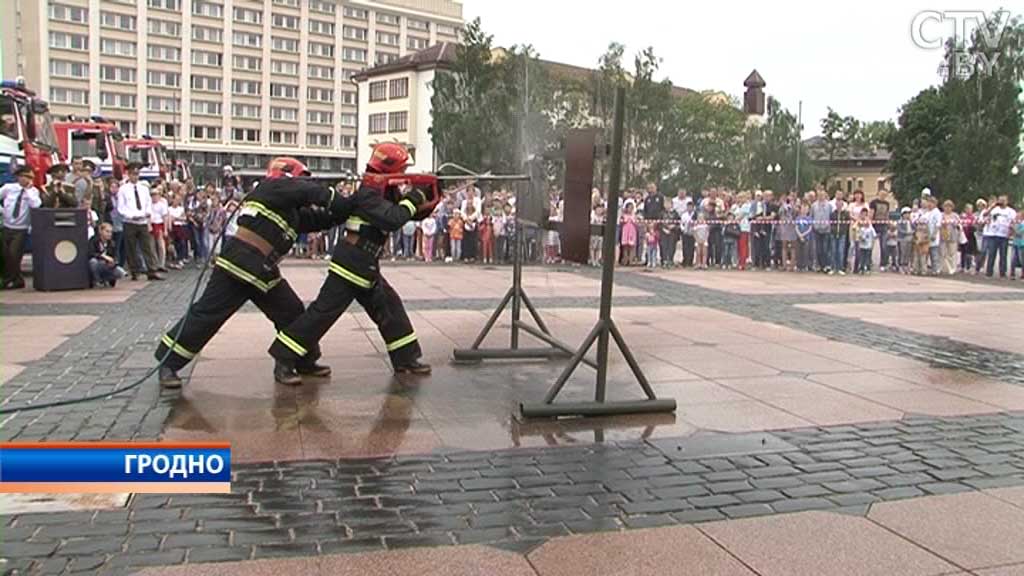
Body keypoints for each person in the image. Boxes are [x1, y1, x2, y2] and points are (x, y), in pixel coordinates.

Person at [155, 157, 349, 388]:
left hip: (264, 271)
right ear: (286, 176)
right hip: (238, 265)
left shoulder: (291, 211)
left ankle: (297, 362)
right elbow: (307, 191)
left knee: (293, 313)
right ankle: (168, 364)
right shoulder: (270, 188)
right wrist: (336, 198)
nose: (302, 183)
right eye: (300, 178)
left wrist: (359, 204)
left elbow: (324, 218)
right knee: (206, 315)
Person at [267, 142, 435, 385]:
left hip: (365, 264)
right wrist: (413, 198)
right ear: (389, 166)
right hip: (351, 265)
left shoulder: (385, 191)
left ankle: (405, 359)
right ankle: (284, 359)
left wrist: (429, 193)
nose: (405, 172)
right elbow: (393, 218)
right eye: (402, 167)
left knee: (390, 309)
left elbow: (412, 212)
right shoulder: (369, 191)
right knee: (321, 315)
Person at [116, 164, 165, 282]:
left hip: (142, 221)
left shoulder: (143, 188)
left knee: (147, 247)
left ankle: (151, 270)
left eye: (137, 174)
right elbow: (121, 207)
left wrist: (147, 213)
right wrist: (130, 215)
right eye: (133, 174)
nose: (135, 177)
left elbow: (148, 203)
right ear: (129, 175)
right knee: (131, 247)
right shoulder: (123, 189)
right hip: (130, 221)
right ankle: (135, 271)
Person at [1, 167, 41, 290]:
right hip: (6, 226)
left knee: (14, 255)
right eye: (26, 176)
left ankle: (9, 280)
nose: (28, 180)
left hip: (21, 228)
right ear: (18, 176)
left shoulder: (33, 192)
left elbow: (36, 204)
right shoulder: (9, 188)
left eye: (31, 178)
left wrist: (28, 191)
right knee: (4, 255)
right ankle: (15, 279)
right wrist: (2, 211)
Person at [984, 195, 1017, 278]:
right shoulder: (994, 209)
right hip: (993, 234)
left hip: (1004, 235)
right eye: (1000, 200)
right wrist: (991, 207)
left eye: (1004, 200)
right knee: (991, 254)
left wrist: (1011, 231)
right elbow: (985, 215)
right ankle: (989, 272)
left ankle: (1002, 272)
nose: (1002, 202)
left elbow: (1014, 222)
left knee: (1003, 255)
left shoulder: (1011, 211)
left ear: (1007, 201)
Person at [89, 222, 126, 287]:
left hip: (107, 265)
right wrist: (103, 256)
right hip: (98, 262)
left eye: (110, 232)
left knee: (120, 273)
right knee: (93, 262)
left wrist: (114, 262)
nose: (109, 234)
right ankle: (97, 280)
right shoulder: (94, 240)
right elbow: (90, 253)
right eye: (107, 231)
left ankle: (106, 280)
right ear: (101, 231)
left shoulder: (112, 243)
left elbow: (116, 256)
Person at [870, 189, 892, 271]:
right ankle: (869, 261)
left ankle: (883, 263)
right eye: (882, 194)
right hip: (875, 226)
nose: (883, 196)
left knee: (884, 245)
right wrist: (870, 224)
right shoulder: (873, 203)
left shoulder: (887, 204)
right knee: (870, 245)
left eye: (885, 195)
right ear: (878, 194)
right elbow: (871, 213)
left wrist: (888, 223)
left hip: (884, 226)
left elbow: (887, 214)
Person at [811, 192, 833, 272]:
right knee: (818, 249)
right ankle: (820, 265)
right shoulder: (814, 205)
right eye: (819, 195)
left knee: (825, 249)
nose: (821, 197)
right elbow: (812, 216)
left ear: (825, 196)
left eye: (822, 195)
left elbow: (831, 217)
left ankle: (826, 265)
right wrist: (813, 225)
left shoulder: (829, 205)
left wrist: (828, 225)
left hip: (826, 230)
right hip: (817, 229)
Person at [939, 200, 961, 275]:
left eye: (949, 206)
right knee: (942, 253)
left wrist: (954, 223)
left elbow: (959, 225)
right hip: (943, 236)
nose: (947, 208)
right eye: (946, 206)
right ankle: (944, 268)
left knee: (952, 253)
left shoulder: (955, 215)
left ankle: (953, 268)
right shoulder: (940, 215)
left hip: (952, 236)